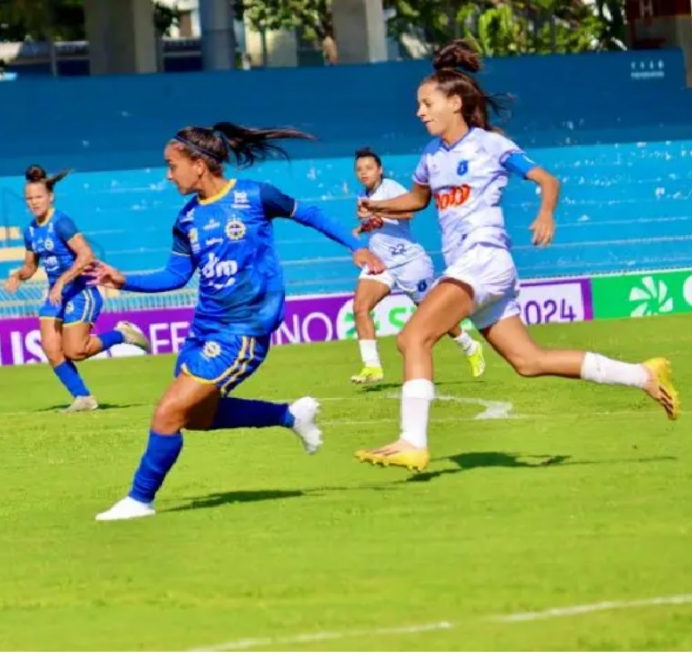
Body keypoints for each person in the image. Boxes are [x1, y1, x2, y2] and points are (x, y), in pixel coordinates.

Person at [354, 40, 679, 472]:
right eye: (418, 104)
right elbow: (416, 199)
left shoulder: (489, 144)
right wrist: (378, 207)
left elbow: (547, 179)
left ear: (455, 102)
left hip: (484, 259)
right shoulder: (431, 156)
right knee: (529, 362)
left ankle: (413, 441)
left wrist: (546, 213)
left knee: (413, 338)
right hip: (472, 267)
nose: (419, 111)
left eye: (426, 103)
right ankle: (643, 374)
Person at [87, 122, 386, 521]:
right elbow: (176, 276)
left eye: (171, 165)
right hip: (203, 330)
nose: (167, 174)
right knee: (197, 418)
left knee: (167, 413)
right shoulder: (187, 219)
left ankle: (139, 499)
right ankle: (289, 415)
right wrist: (126, 280)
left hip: (242, 331)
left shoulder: (254, 196)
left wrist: (357, 247)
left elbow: (309, 213)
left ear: (198, 164)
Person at [5, 165, 149, 412]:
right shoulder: (30, 231)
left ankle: (122, 334)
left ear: (50, 197)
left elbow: (86, 255)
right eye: (29, 198)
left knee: (76, 351)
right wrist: (19, 275)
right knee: (51, 349)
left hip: (81, 291)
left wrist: (62, 281)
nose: (33, 202)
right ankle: (83, 397)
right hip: (55, 295)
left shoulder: (61, 222)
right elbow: (30, 267)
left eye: (38, 197)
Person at [349, 146, 485, 384]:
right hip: (381, 262)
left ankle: (469, 346)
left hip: (409, 262)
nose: (364, 172)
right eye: (359, 169)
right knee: (360, 307)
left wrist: (377, 209)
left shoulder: (390, 189)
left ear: (380, 170)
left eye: (369, 168)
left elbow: (409, 212)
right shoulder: (362, 196)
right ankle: (372, 366)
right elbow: (379, 225)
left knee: (432, 314)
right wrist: (361, 228)